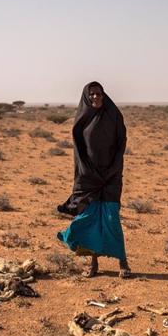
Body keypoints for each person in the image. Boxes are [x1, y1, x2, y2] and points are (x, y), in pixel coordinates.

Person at [56, 81, 131, 278]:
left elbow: (120, 144)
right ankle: (93, 263)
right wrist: (88, 173)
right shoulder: (82, 120)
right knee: (88, 220)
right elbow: (80, 152)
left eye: (99, 94)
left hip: (111, 175)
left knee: (111, 218)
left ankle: (122, 262)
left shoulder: (113, 115)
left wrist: (112, 170)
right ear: (86, 97)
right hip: (88, 177)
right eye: (92, 95)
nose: (96, 97)